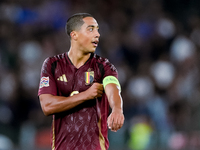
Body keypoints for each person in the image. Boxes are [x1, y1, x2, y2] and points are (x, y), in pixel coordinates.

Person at [38, 13, 124, 150]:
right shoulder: (52, 64)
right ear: (74, 35)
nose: (97, 34)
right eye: (91, 29)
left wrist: (117, 109)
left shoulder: (104, 66)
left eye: (97, 29)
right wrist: (85, 95)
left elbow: (113, 89)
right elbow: (47, 106)